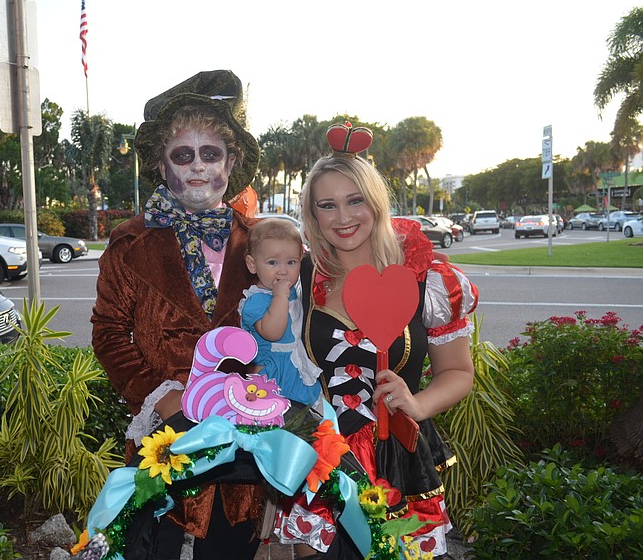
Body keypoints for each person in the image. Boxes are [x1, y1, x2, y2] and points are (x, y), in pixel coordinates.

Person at [284, 123, 479, 558]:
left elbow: (458, 372)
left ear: (375, 202)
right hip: (322, 458)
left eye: (355, 200)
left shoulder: (428, 278)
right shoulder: (298, 278)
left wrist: (418, 405)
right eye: (327, 205)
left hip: (399, 463)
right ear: (313, 215)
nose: (343, 217)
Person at [91, 70, 263, 560]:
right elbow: (108, 334)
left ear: (231, 161)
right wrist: (160, 397)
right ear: (161, 163)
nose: (198, 167)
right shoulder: (130, 243)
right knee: (156, 548)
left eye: (211, 153)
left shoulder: (259, 241)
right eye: (183, 155)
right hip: (164, 439)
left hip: (240, 442)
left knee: (230, 550)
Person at [239, 218, 321, 405]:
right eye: (272, 262)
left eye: (291, 262)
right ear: (252, 264)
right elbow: (273, 332)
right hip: (274, 374)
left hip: (297, 369)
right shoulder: (255, 301)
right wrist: (280, 297)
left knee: (308, 417)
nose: (283, 271)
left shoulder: (293, 292)